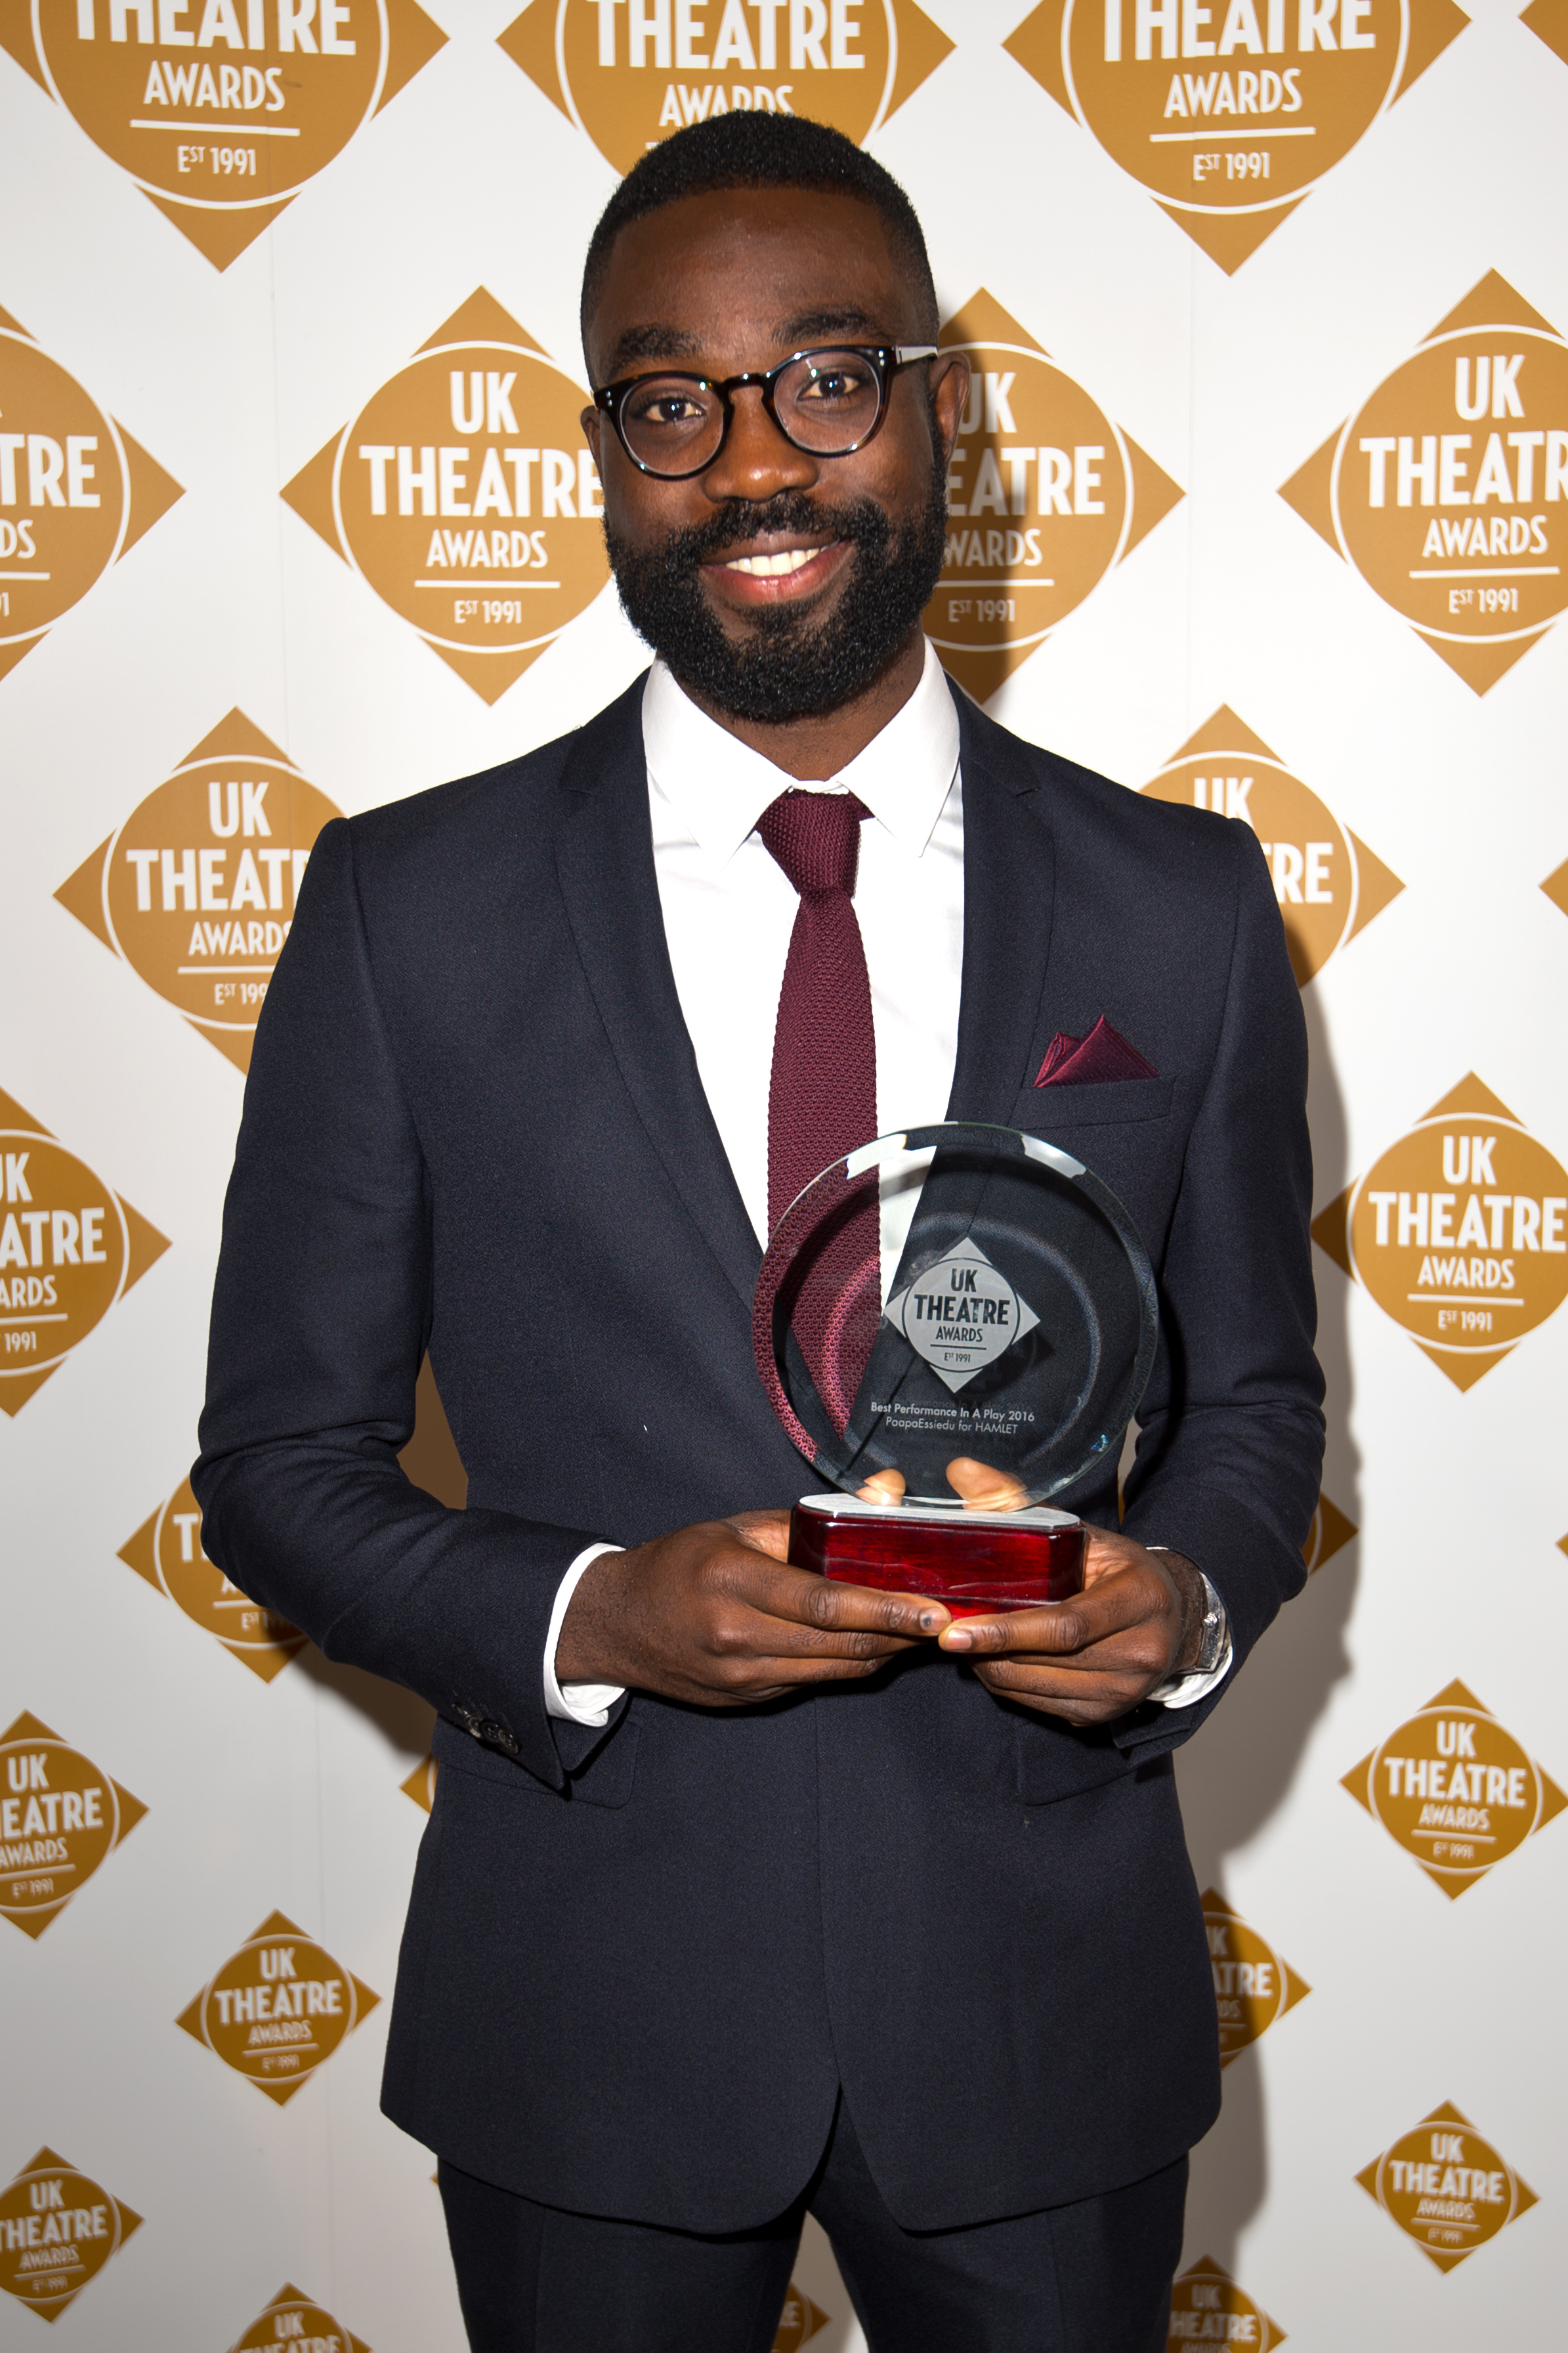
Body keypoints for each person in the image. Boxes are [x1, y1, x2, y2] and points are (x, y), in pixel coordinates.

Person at [194, 113, 1323, 2353]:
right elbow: (276, 1476)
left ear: (938, 409)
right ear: (608, 450)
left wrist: (1178, 1604)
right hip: (591, 2014)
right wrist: (596, 1609)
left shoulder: (1178, 911)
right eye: (669, 401)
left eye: (828, 376)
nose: (755, 465)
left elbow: (1259, 1405)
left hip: (1034, 2010)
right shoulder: (405, 911)